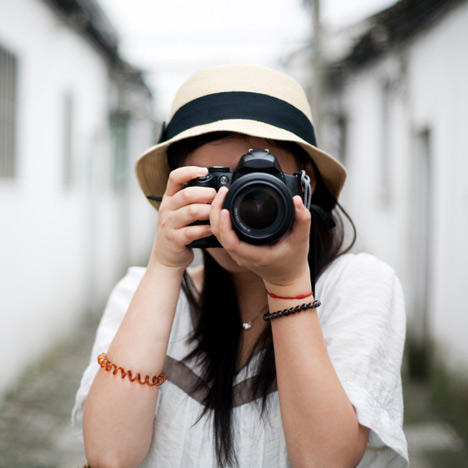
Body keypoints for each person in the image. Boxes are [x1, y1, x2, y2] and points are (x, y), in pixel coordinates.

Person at [72, 64, 409, 468]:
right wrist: (164, 265)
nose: (239, 205)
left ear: (308, 184)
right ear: (175, 190)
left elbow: (325, 461)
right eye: (216, 185)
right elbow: (109, 456)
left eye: (264, 183)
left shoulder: (357, 287)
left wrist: (287, 283)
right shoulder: (139, 294)